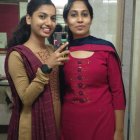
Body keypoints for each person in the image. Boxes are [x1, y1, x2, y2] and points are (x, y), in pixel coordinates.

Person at [60, 0, 126, 140]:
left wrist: (119, 131)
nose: (80, 20)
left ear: (91, 18)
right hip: (70, 123)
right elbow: (57, 92)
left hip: (103, 122)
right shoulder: (60, 52)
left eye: (85, 14)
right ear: (66, 20)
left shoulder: (106, 50)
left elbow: (118, 92)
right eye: (73, 15)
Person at [4, 0, 69, 140]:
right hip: (33, 122)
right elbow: (26, 99)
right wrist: (47, 67)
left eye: (52, 18)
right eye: (42, 16)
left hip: (56, 118)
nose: (49, 22)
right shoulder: (17, 55)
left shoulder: (53, 50)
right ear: (29, 19)